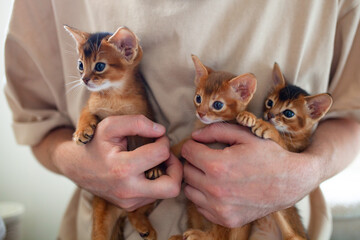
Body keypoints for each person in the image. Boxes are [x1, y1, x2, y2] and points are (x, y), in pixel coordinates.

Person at [4, 0, 360, 239]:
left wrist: (303, 172)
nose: (201, 111)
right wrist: (75, 160)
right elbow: (37, 121)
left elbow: (351, 115)